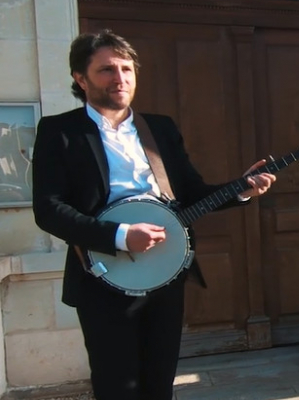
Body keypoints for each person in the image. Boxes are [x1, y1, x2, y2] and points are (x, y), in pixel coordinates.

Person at [31, 30, 276, 400]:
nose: (120, 78)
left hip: (164, 272)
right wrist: (119, 236)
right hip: (102, 275)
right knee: (116, 385)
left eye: (127, 69)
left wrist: (241, 189)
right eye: (107, 70)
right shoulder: (60, 131)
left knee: (159, 382)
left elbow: (191, 193)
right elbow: (49, 209)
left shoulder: (158, 128)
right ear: (81, 79)